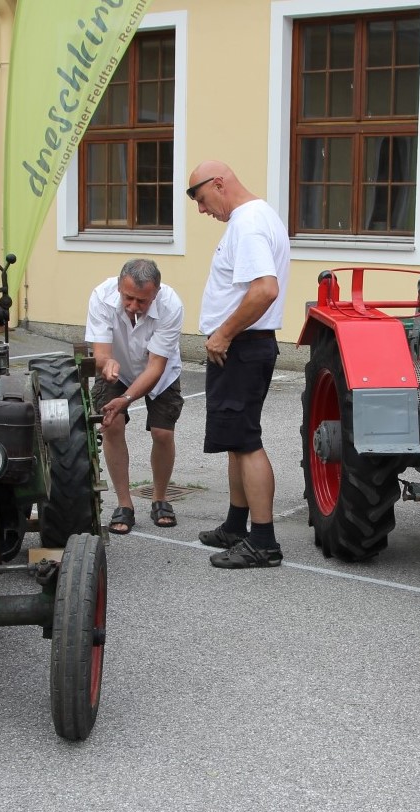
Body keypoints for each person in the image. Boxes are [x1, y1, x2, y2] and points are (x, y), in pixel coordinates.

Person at [187, 160, 291, 568]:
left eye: (201, 199)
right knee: (236, 440)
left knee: (246, 442)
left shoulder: (247, 224)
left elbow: (265, 289)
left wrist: (225, 333)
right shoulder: (258, 216)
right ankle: (236, 525)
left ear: (219, 183)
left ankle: (263, 542)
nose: (201, 210)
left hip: (243, 348)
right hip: (245, 346)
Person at [84, 258, 186, 535]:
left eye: (142, 301)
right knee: (112, 425)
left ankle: (160, 498)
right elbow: (101, 352)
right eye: (128, 298)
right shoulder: (101, 297)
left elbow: (156, 366)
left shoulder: (171, 305)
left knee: (162, 433)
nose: (133, 306)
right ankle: (124, 503)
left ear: (156, 293)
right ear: (119, 287)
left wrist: (127, 398)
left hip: (160, 372)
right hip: (116, 367)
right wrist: (107, 365)